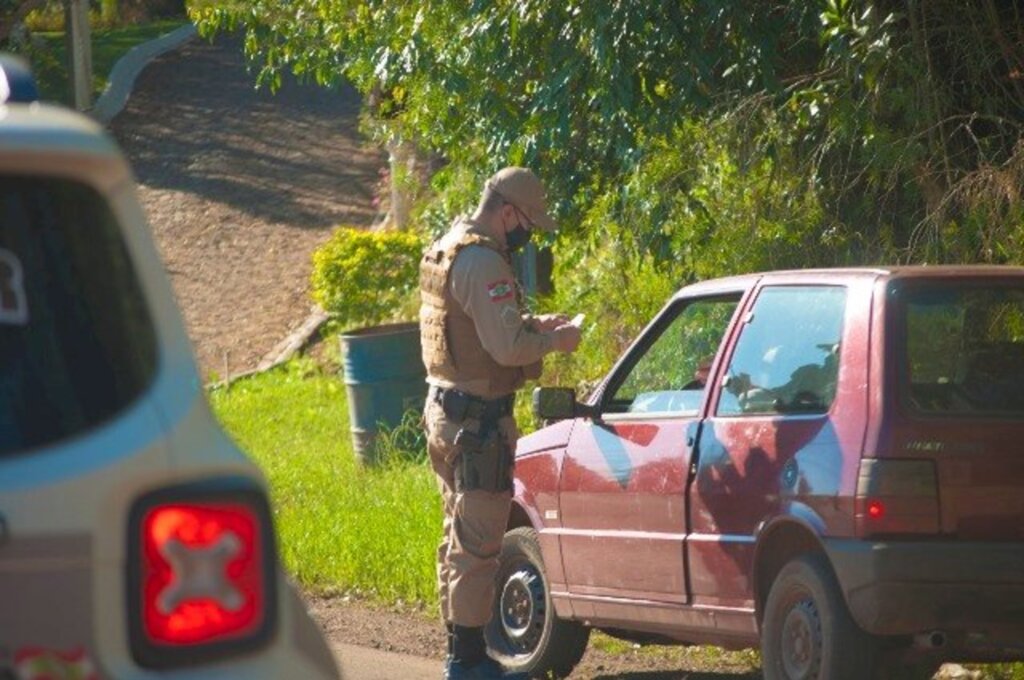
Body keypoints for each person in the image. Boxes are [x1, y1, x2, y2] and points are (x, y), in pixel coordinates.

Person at [419, 167, 581, 679]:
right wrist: (556, 341)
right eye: (527, 224)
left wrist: (537, 326)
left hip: (445, 413)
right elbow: (506, 348)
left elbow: (479, 331)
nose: (527, 236)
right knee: (480, 548)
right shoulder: (485, 262)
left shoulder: (448, 247)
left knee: (457, 540)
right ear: (507, 212)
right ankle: (467, 665)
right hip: (479, 427)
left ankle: (461, 653)